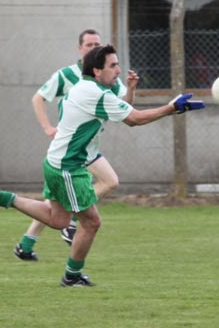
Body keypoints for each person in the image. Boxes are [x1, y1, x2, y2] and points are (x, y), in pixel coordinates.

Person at [0, 44, 205, 286]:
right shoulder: (94, 93)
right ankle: (72, 276)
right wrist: (172, 108)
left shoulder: (88, 88)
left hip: (58, 162)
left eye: (117, 64)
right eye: (112, 66)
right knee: (91, 222)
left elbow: (126, 112)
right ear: (96, 71)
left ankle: (0, 197)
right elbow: (134, 119)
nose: (118, 70)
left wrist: (158, 104)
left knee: (59, 220)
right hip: (68, 167)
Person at [13, 29, 136, 261]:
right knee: (95, 186)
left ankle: (28, 242)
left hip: (90, 146)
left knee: (69, 197)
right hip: (73, 147)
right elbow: (38, 98)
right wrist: (48, 128)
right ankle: (42, 236)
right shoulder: (67, 75)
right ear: (80, 49)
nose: (93, 48)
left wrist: (131, 88)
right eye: (89, 45)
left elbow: (125, 107)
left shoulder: (108, 76)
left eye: (97, 44)